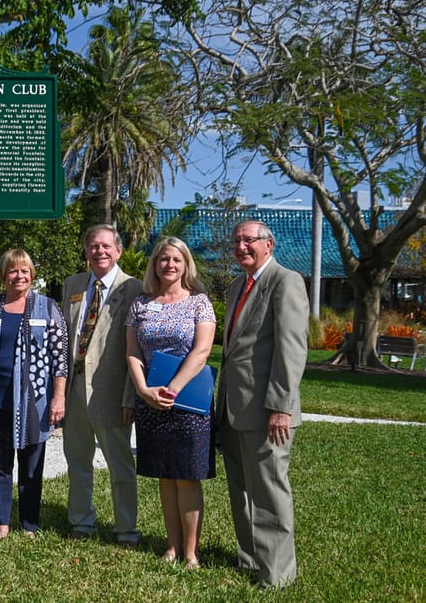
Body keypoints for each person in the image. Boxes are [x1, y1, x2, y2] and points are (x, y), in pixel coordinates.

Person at [216, 220, 308, 588]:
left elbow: (291, 349)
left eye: (248, 240)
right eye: (236, 240)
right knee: (241, 491)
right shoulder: (237, 286)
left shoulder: (285, 281)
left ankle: (278, 575)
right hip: (233, 407)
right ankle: (250, 558)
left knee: (269, 491)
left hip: (268, 410)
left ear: (268, 244)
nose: (241, 246)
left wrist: (281, 406)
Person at [124, 237, 216, 569]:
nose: (170, 265)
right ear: (155, 264)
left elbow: (202, 351)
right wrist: (145, 390)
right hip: (151, 400)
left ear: (186, 264)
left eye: (176, 259)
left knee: (186, 475)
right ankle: (172, 547)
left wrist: (172, 389)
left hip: (188, 401)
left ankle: (191, 552)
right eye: (163, 259)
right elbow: (133, 353)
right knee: (165, 475)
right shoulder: (140, 304)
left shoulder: (200, 302)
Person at [0, 249, 69, 539]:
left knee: (31, 465)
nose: (19, 276)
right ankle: (1, 523)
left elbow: (60, 358)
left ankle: (30, 525)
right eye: (13, 271)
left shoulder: (47, 308)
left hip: (35, 402)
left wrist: (58, 397)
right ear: (3, 275)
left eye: (24, 270)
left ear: (31, 274)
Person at [61, 224, 144, 547]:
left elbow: (136, 349)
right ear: (86, 251)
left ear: (119, 251)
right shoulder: (73, 285)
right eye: (93, 246)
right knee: (77, 459)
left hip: (112, 391)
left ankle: (126, 529)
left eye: (106, 246)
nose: (100, 251)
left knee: (120, 465)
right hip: (74, 388)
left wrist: (130, 396)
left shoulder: (134, 289)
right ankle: (82, 522)